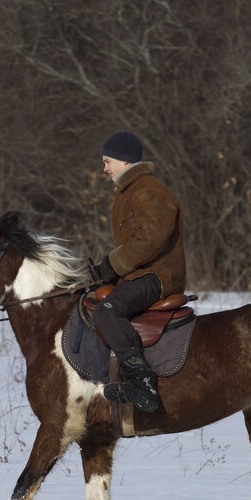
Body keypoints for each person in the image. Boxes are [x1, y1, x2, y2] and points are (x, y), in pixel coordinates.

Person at [90, 131, 186, 413]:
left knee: (107, 311)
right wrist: (107, 272)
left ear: (125, 160)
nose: (105, 168)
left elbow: (151, 239)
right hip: (141, 273)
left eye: (108, 161)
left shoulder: (148, 190)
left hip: (158, 276)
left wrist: (112, 264)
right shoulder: (130, 190)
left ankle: (142, 380)